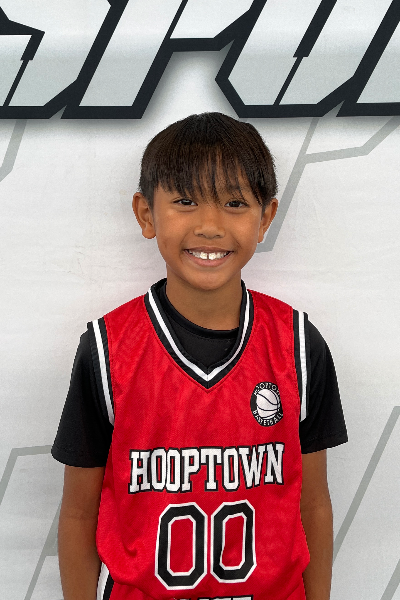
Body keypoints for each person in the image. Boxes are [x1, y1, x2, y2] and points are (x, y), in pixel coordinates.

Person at [52, 112, 347, 600]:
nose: (210, 226)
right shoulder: (108, 350)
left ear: (265, 218)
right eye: (186, 201)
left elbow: (312, 504)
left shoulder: (297, 345)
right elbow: (79, 513)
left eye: (234, 203)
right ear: (146, 214)